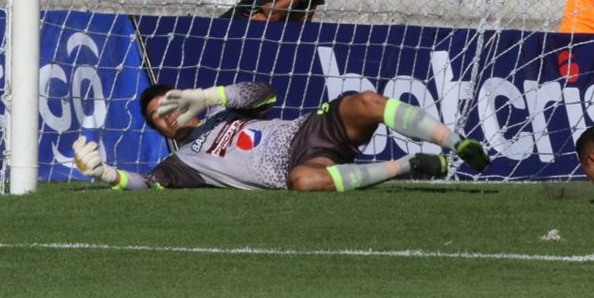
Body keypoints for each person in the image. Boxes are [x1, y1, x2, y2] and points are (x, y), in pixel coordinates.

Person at [73, 81, 491, 191]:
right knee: (304, 183)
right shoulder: (181, 165)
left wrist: (205, 96)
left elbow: (265, 92)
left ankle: (457, 143)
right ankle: (406, 167)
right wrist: (107, 174)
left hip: (310, 128)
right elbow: (147, 186)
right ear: (158, 130)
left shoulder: (223, 108)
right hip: (297, 165)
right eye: (156, 116)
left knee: (366, 101)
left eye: (167, 104)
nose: (165, 115)